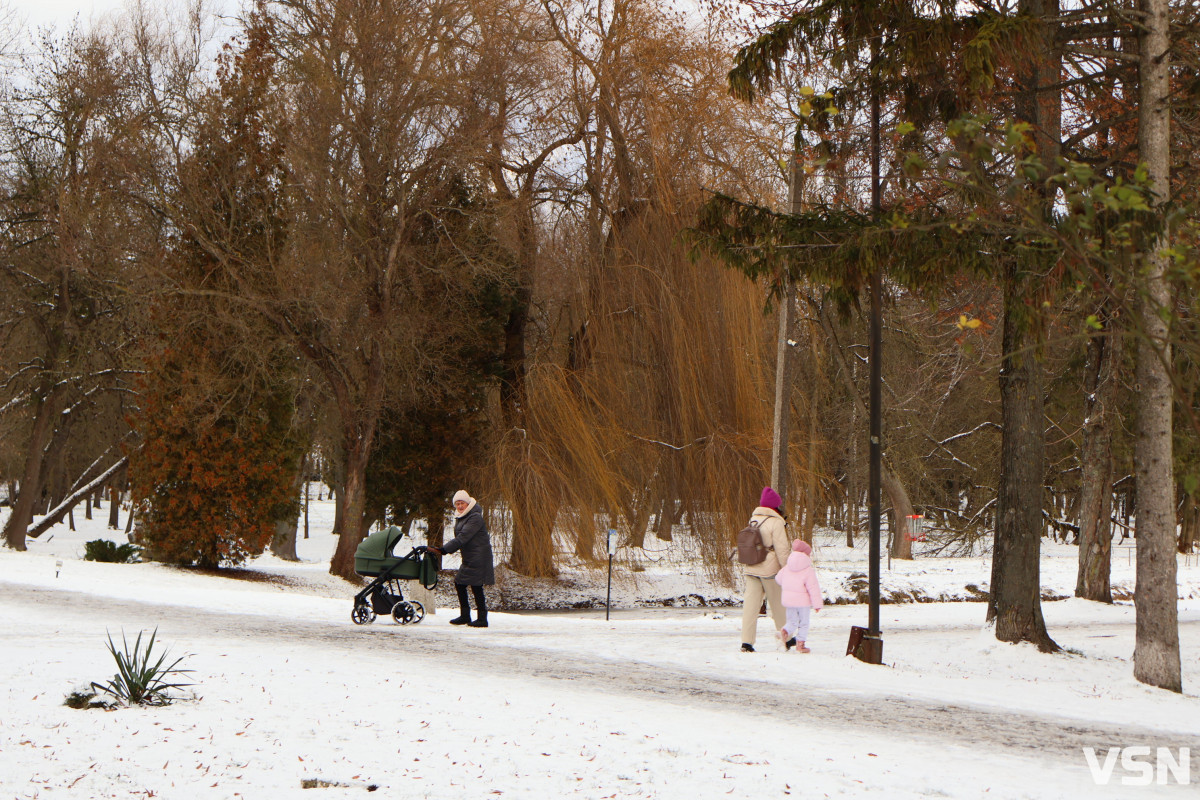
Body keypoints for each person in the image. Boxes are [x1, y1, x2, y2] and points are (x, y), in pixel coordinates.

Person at [428, 490, 495, 628]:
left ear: (468, 503)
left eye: (462, 503)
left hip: (479, 556)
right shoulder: (463, 516)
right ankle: (465, 615)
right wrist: (444, 549)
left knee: (476, 586)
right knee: (460, 583)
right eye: (457, 504)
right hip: (470, 556)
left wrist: (444, 549)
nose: (459, 506)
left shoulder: (475, 517)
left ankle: (482, 619)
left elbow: (463, 536)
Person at [740, 486, 793, 652]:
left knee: (751, 606)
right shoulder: (776, 522)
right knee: (778, 605)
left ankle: (746, 643)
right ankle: (788, 639)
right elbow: (782, 549)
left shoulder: (753, 519)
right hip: (769, 570)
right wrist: (787, 569)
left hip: (751, 566)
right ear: (775, 506)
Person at [773, 539, 823, 653]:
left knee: (792, 621)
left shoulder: (787, 567)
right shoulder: (808, 570)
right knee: (803, 623)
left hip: (789, 601)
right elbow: (813, 588)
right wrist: (817, 604)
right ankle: (800, 645)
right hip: (803, 602)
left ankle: (784, 632)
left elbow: (778, 579)